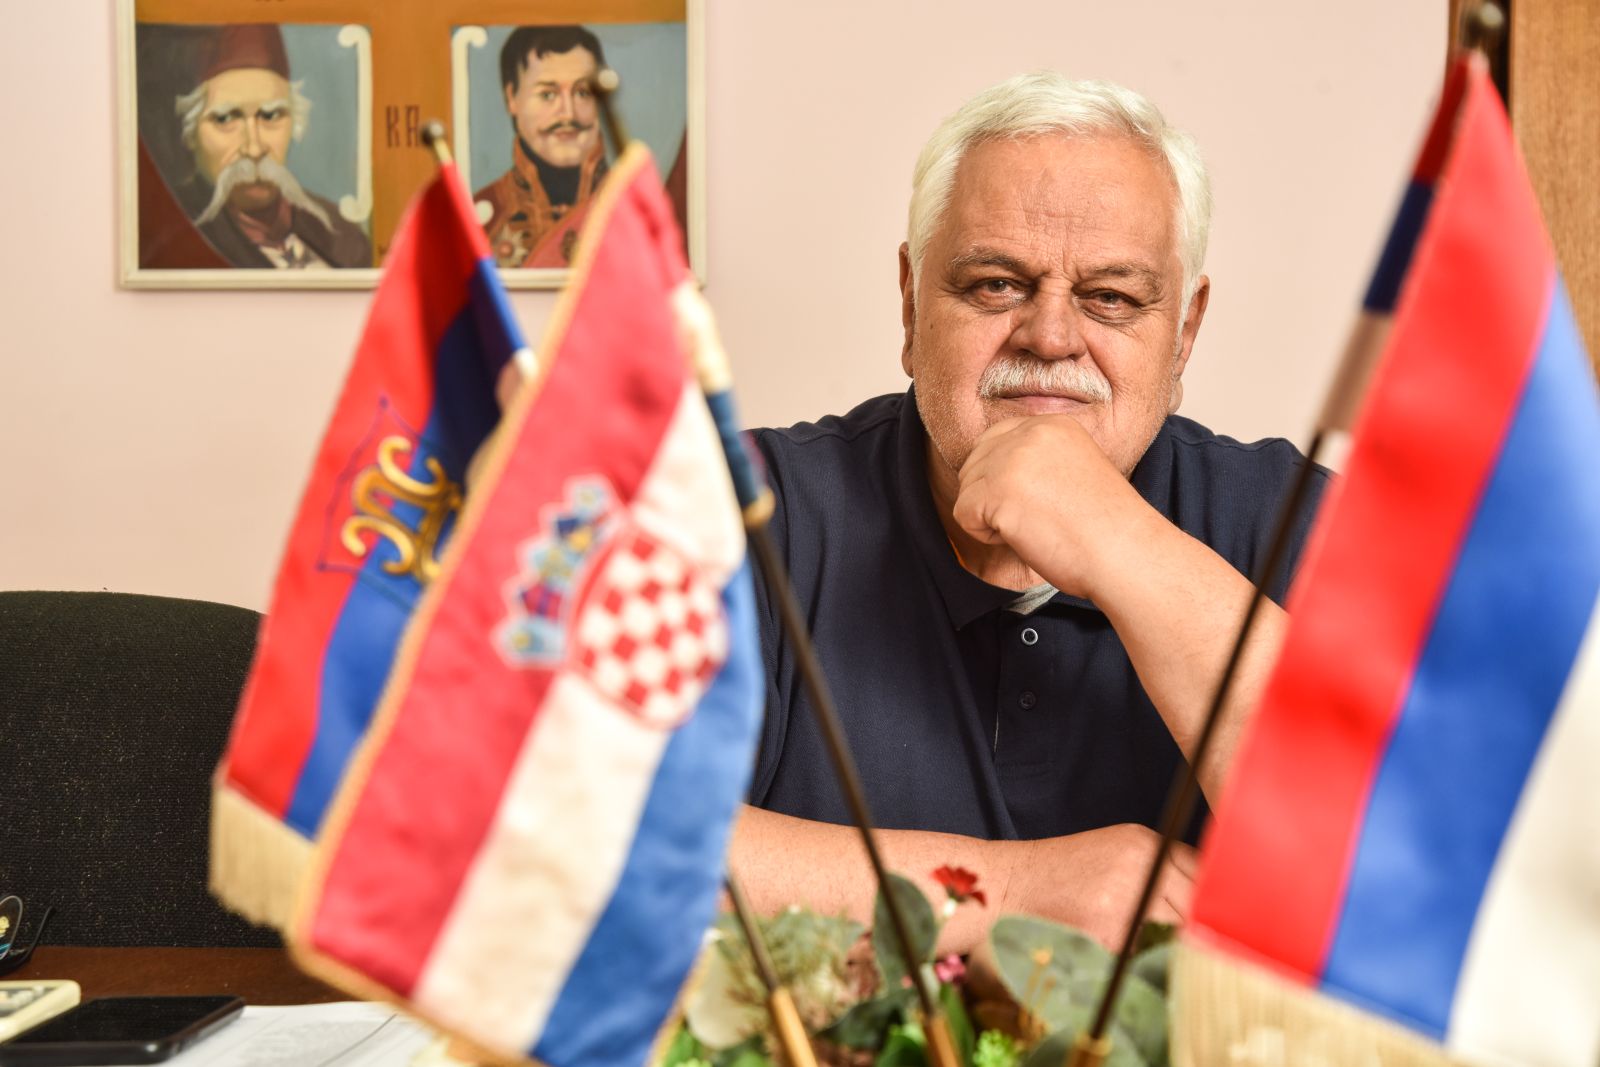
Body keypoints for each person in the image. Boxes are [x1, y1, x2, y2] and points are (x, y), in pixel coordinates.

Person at [729, 72, 1331, 953]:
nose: (1050, 336)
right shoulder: (742, 509)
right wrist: (1000, 892)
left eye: (1113, 298)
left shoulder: (1291, 518)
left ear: (1186, 334)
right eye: (995, 285)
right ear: (908, 299)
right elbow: (598, 839)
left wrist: (1113, 536)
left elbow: (1391, 860)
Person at [169, 25, 371, 270]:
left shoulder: (342, 236)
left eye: (271, 115)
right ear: (191, 136)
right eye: (225, 119)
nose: (254, 149)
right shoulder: (174, 238)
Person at [475, 26, 610, 269]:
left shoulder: (639, 211)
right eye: (548, 95)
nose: (568, 112)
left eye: (583, 92)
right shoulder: (480, 221)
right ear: (512, 99)